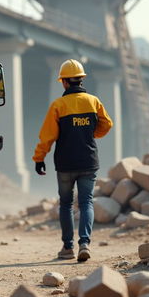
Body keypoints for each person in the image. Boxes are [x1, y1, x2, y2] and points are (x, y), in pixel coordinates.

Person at [32, 59, 113, 262]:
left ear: (64, 82)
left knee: (66, 204)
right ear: (81, 80)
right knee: (86, 202)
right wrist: (90, 133)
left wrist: (39, 158)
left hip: (65, 164)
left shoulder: (58, 105)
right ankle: (84, 243)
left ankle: (67, 248)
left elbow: (47, 136)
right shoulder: (93, 101)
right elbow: (107, 124)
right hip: (88, 161)